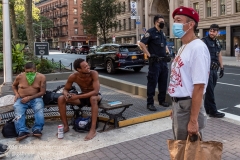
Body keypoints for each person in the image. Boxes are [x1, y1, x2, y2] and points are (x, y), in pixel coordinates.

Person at [168, 6, 210, 140]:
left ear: (190, 24)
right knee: (180, 149)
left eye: (178, 20)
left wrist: (193, 120)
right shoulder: (183, 47)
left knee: (189, 151)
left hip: (188, 107)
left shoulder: (198, 48)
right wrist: (174, 106)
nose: (174, 24)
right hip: (179, 106)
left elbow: (199, 87)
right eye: (174, 20)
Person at [58, 58, 101, 141]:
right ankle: (66, 126)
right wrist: (66, 94)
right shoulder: (73, 76)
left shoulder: (94, 73)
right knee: (61, 98)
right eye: (85, 67)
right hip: (83, 96)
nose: (88, 67)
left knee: (93, 99)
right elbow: (65, 89)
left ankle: (92, 130)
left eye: (88, 65)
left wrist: (77, 97)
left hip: (95, 96)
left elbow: (96, 91)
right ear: (79, 69)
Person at [139, 14, 170, 111]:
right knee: (152, 83)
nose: (163, 23)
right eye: (161, 22)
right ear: (156, 22)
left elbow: (164, 44)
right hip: (155, 63)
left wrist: (168, 52)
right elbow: (141, 43)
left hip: (163, 62)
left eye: (163, 22)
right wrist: (149, 55)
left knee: (163, 82)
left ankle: (162, 100)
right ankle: (150, 103)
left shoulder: (162, 33)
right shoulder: (150, 32)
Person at [12, 62, 46, 141]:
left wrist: (30, 98)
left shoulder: (41, 77)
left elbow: (42, 92)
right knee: (18, 109)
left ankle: (37, 129)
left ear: (35, 70)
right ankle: (22, 131)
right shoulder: (20, 77)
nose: (29, 74)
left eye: (31, 72)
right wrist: (16, 94)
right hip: (22, 98)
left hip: (35, 98)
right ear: (24, 70)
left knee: (39, 107)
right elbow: (14, 85)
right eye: (27, 72)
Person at [202, 24, 225, 118]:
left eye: (214, 31)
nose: (211, 32)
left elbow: (219, 55)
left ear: (217, 32)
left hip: (215, 69)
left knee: (210, 90)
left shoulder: (218, 42)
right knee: (210, 90)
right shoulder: (204, 41)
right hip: (207, 69)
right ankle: (213, 111)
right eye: (210, 30)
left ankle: (207, 108)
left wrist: (222, 67)